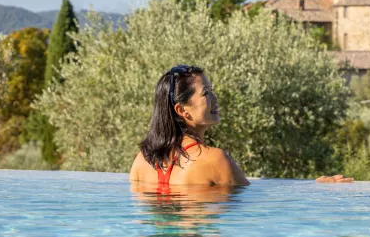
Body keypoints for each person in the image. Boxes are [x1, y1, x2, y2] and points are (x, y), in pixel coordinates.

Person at [129, 65, 353, 187]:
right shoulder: (214, 160)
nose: (216, 98)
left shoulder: (142, 160)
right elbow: (256, 206)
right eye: (206, 93)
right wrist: (316, 189)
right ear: (182, 110)